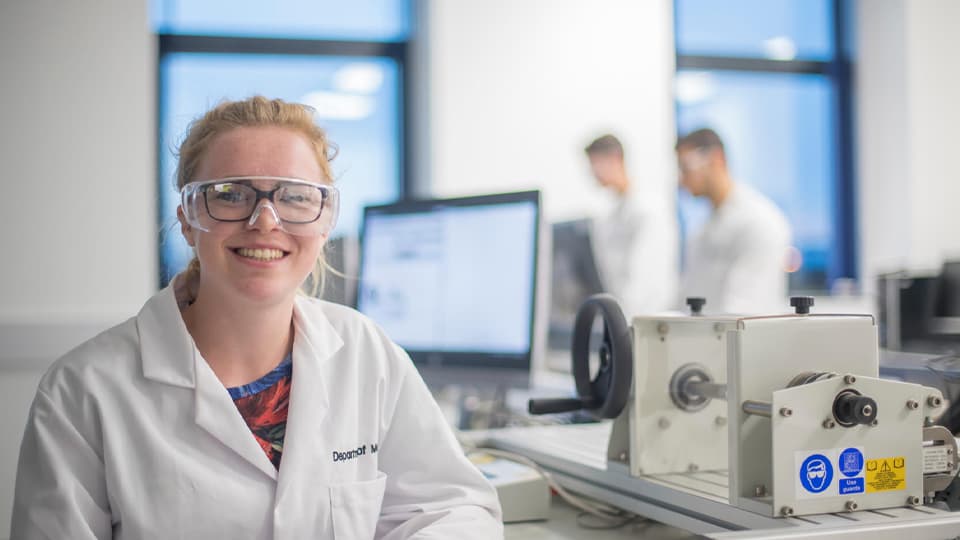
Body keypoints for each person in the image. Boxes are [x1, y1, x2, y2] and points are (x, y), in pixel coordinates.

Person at [11, 96, 503, 539]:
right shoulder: (85, 388)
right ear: (187, 216)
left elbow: (452, 508)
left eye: (294, 196)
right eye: (229, 193)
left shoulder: (364, 350)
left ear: (326, 219)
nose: (265, 221)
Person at [675, 128, 791, 314]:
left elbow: (745, 309)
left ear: (716, 159)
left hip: (742, 340)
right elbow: (687, 297)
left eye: (685, 167)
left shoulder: (759, 221)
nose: (682, 180)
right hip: (703, 338)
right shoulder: (701, 229)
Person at [584, 134, 678, 316]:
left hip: (646, 319)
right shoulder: (605, 218)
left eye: (595, 163)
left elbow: (645, 282)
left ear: (616, 158)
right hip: (619, 317)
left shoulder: (649, 210)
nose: (592, 172)